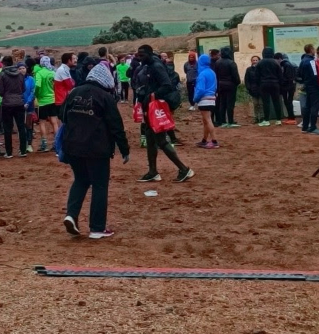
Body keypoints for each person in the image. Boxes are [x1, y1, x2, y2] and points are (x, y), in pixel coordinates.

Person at [59, 60, 132, 239]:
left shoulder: (74, 92)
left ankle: (71, 215)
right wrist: (124, 149)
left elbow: (63, 116)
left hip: (72, 146)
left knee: (81, 180)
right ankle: (97, 228)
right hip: (97, 148)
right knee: (100, 185)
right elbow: (116, 126)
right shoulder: (105, 97)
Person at [130, 44, 194, 182]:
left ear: (149, 54)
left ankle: (184, 169)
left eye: (142, 55)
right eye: (138, 55)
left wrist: (152, 94)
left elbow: (167, 85)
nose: (140, 58)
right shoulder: (147, 66)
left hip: (155, 107)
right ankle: (153, 171)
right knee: (150, 138)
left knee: (161, 140)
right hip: (148, 107)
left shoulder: (156, 66)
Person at [0, 55, 30, 157]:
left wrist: (6, 95)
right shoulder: (20, 74)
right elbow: (23, 89)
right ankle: (23, 150)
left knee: (8, 128)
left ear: (4, 63)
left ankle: (9, 152)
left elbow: (0, 91)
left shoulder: (2, 75)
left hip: (7, 103)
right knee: (21, 127)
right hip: (19, 102)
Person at [31, 55, 59, 153]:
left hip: (42, 101)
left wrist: (36, 94)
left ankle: (44, 144)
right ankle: (56, 143)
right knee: (54, 121)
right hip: (52, 99)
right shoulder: (53, 72)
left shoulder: (39, 73)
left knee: (42, 122)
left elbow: (37, 85)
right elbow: (56, 85)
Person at [193, 50, 219, 148]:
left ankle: (214, 140)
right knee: (206, 120)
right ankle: (204, 140)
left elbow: (200, 89)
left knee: (207, 120)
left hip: (204, 99)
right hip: (212, 98)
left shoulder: (202, 74)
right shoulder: (212, 72)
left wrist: (195, 99)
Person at [214, 47, 241, 128]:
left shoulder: (217, 62)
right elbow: (235, 76)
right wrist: (237, 83)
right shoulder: (231, 63)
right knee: (230, 104)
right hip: (230, 85)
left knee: (222, 103)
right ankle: (230, 120)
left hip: (220, 85)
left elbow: (216, 75)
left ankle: (222, 121)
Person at [276, 52, 299, 125]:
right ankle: (290, 117)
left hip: (288, 87)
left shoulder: (286, 65)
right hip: (289, 86)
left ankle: (292, 118)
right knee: (287, 101)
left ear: (280, 59)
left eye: (276, 60)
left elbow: (288, 77)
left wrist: (281, 81)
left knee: (288, 101)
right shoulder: (286, 64)